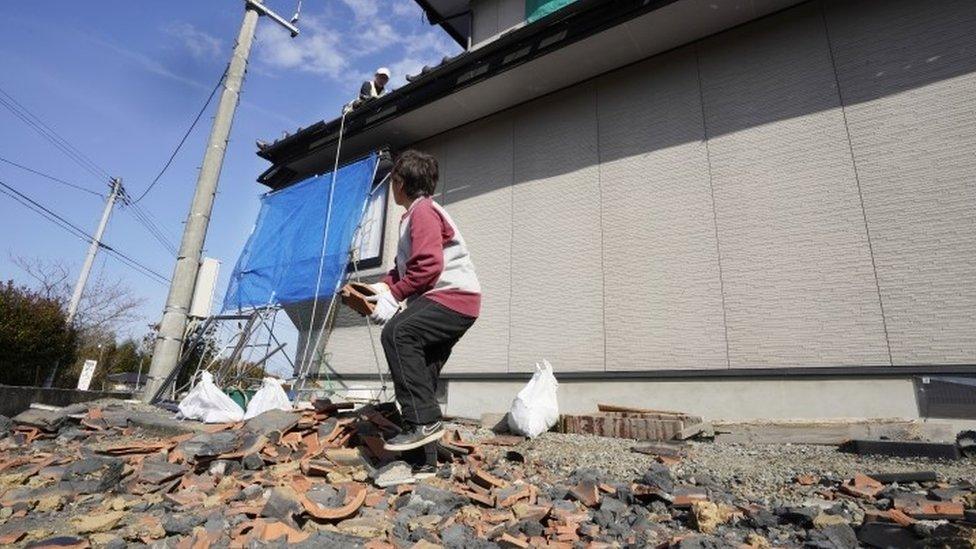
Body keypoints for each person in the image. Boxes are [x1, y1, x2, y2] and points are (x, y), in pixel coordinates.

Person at [366, 150, 481, 452]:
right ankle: (424, 457)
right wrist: (378, 290)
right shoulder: (415, 215)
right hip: (455, 302)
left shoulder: (423, 212)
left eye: (392, 182)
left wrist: (395, 295)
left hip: (451, 297)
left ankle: (424, 423)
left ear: (400, 182)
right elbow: (401, 270)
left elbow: (429, 265)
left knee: (397, 333)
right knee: (423, 371)